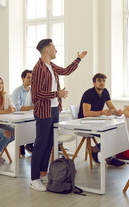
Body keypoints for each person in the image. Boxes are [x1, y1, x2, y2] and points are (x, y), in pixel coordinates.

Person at [30, 38, 87, 192]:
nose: (56, 50)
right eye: (54, 48)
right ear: (47, 50)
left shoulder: (51, 66)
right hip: (43, 111)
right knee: (40, 144)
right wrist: (57, 93)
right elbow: (36, 93)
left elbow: (66, 71)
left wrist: (78, 59)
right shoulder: (39, 68)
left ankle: (43, 172)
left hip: (54, 109)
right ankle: (34, 179)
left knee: (49, 143)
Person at [77, 73, 125, 167]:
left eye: (103, 81)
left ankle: (95, 149)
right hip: (84, 123)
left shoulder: (105, 91)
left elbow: (111, 106)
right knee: (109, 133)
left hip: (97, 121)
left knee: (116, 132)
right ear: (94, 83)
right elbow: (86, 114)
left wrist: (117, 112)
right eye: (99, 81)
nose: (102, 83)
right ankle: (108, 158)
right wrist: (102, 112)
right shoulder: (88, 94)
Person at [12, 69, 34, 157]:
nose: (30, 80)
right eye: (28, 77)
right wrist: (33, 107)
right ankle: (26, 145)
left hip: (29, 116)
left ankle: (29, 144)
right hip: (19, 117)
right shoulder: (17, 91)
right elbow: (18, 108)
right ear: (23, 78)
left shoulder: (33, 91)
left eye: (32, 78)